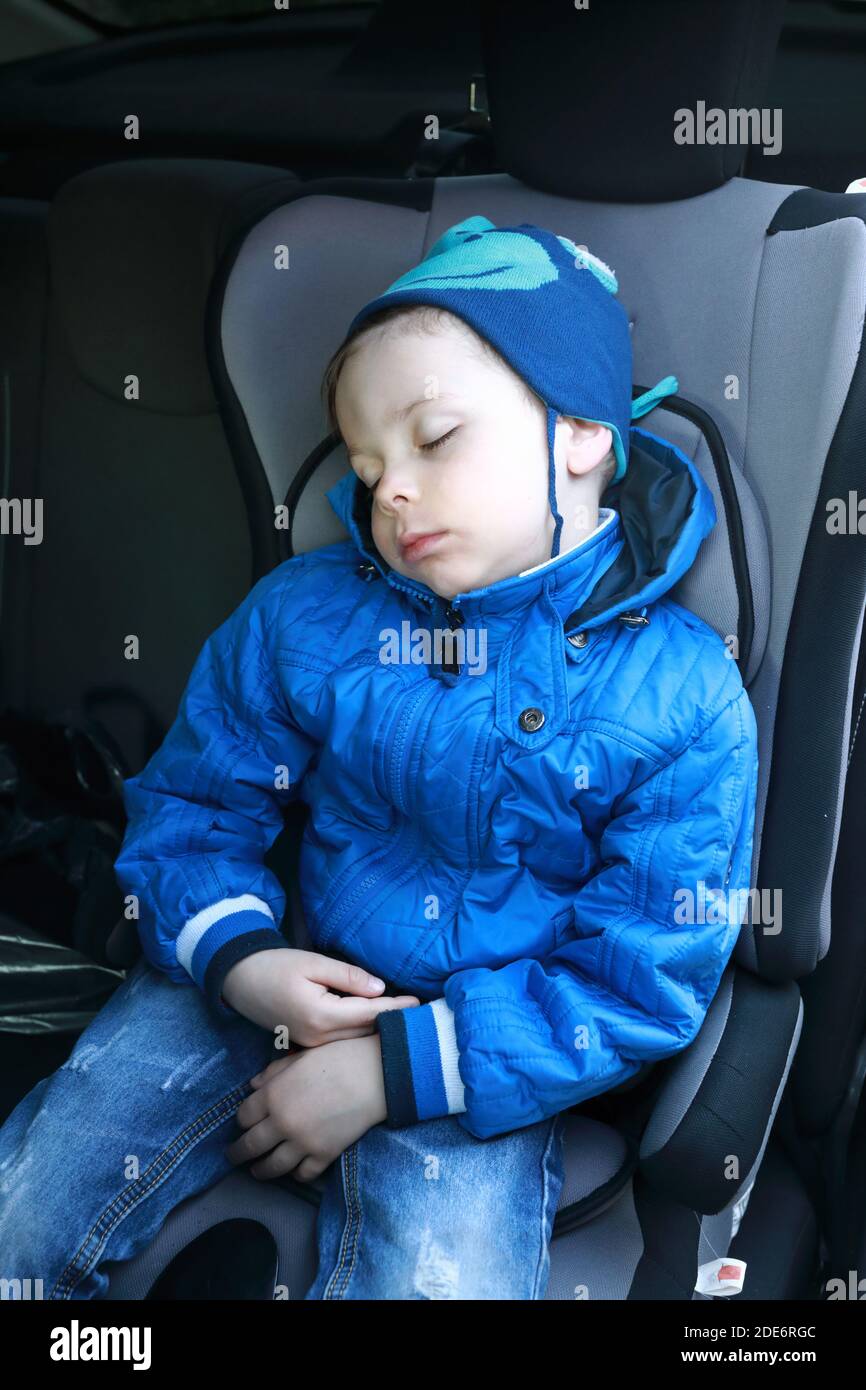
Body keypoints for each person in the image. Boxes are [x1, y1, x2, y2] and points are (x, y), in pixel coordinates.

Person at [0, 216, 758, 1300]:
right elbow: (192, 812)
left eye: (433, 438)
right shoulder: (302, 619)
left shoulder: (678, 695)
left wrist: (390, 1071)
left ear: (583, 431)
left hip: (484, 1055)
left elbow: (641, 973)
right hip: (267, 969)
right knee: (27, 1205)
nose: (388, 488)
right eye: (363, 464)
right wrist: (242, 962)